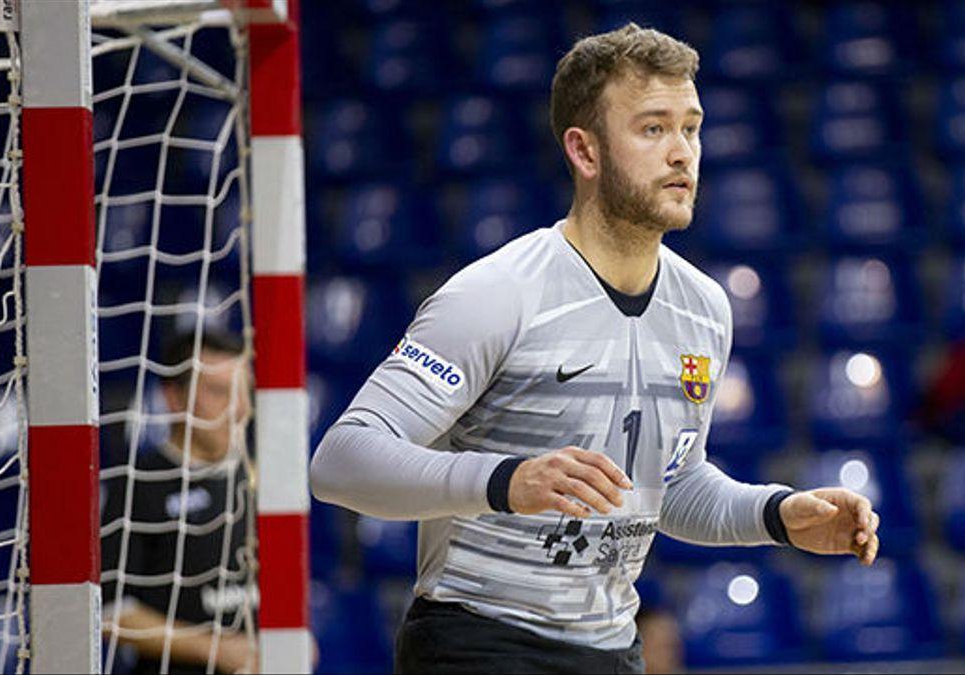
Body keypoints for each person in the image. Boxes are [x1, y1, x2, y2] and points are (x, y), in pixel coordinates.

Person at [310, 24, 881, 674]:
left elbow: (670, 486)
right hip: (477, 642)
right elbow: (341, 460)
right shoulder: (499, 293)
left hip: (611, 648)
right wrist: (505, 480)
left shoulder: (704, 308)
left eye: (691, 128)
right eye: (652, 128)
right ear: (584, 150)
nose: (682, 153)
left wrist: (776, 514)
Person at [100, 331, 258, 674]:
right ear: (174, 398)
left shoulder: (263, 481)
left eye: (244, 391)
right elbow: (110, 612)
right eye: (219, 392)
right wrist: (214, 649)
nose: (238, 409)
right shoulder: (139, 483)